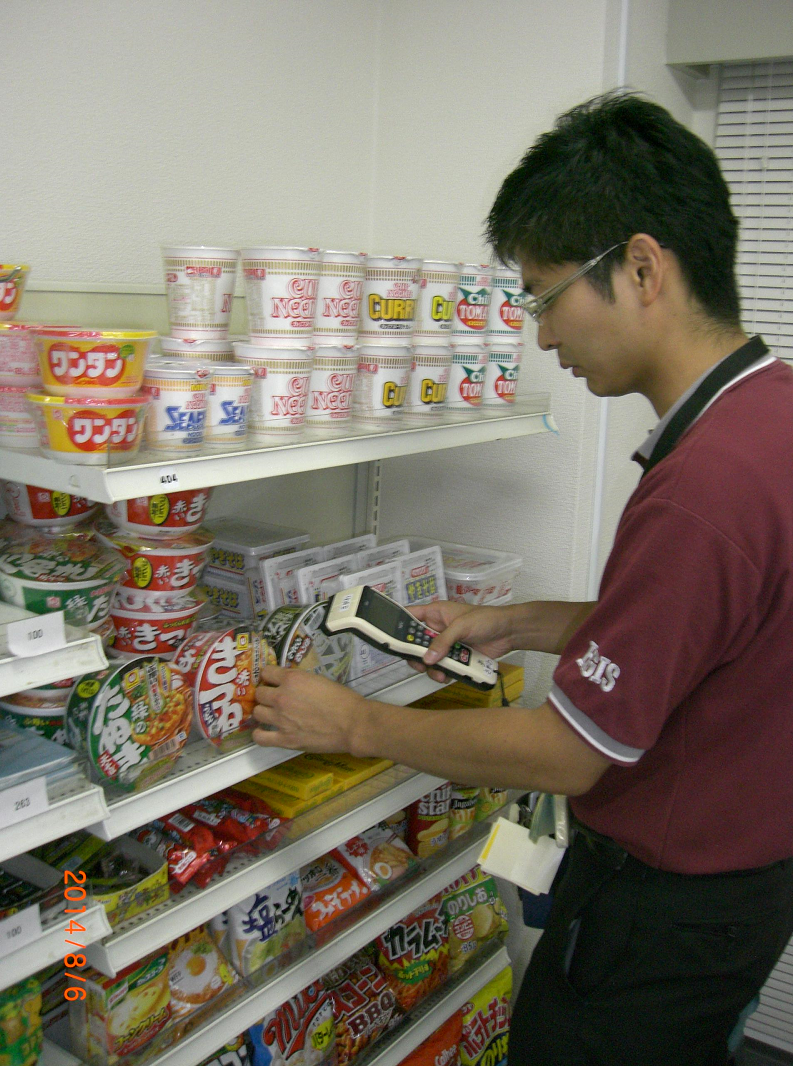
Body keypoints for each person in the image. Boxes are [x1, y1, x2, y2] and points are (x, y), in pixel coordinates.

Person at [252, 91, 793, 1065]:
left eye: (544, 297)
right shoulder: (769, 413)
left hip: (660, 914)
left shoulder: (704, 487)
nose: (542, 337)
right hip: (746, 884)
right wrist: (523, 622)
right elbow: (709, 626)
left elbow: (566, 754)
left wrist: (353, 724)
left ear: (640, 268)